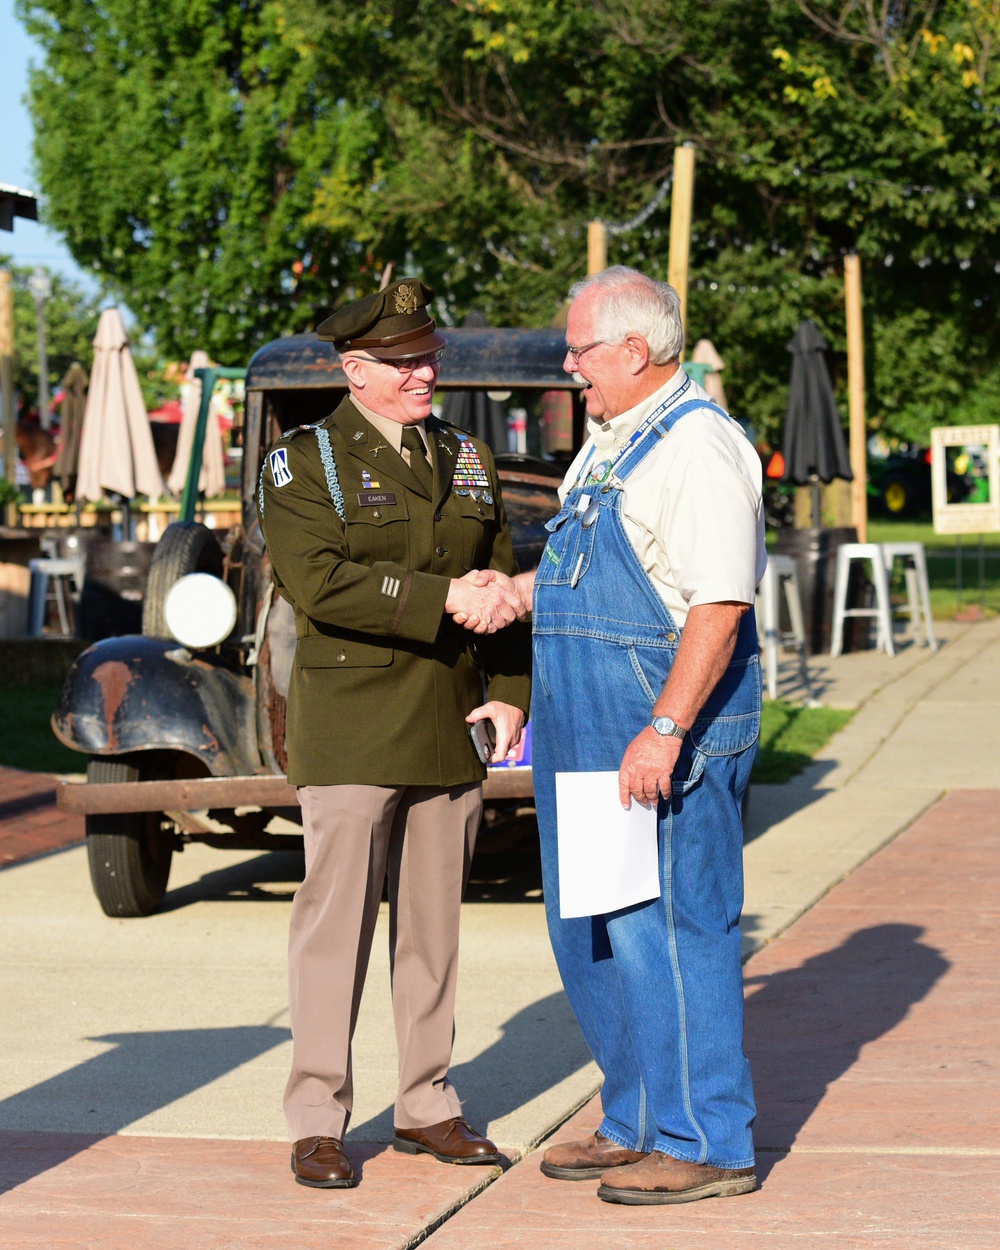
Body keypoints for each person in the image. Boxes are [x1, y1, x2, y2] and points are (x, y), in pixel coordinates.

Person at [490, 266, 767, 1205]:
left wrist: (664, 729)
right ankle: (636, 1119)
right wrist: (517, 595)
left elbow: (718, 608)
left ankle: (709, 1142)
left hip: (657, 736)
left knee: (678, 932)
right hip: (589, 738)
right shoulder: (611, 444)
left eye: (580, 350)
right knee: (602, 932)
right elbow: (585, 580)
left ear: (635, 352)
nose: (568, 367)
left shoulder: (697, 448)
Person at [258, 278, 530, 1188]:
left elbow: (498, 574)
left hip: (450, 724)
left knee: (432, 932)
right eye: (407, 362)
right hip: (352, 728)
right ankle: (317, 1118)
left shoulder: (465, 456)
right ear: (356, 370)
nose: (426, 374)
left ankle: (427, 1105)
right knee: (333, 932)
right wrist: (442, 597)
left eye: (430, 357)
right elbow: (319, 581)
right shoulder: (306, 463)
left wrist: (514, 691)